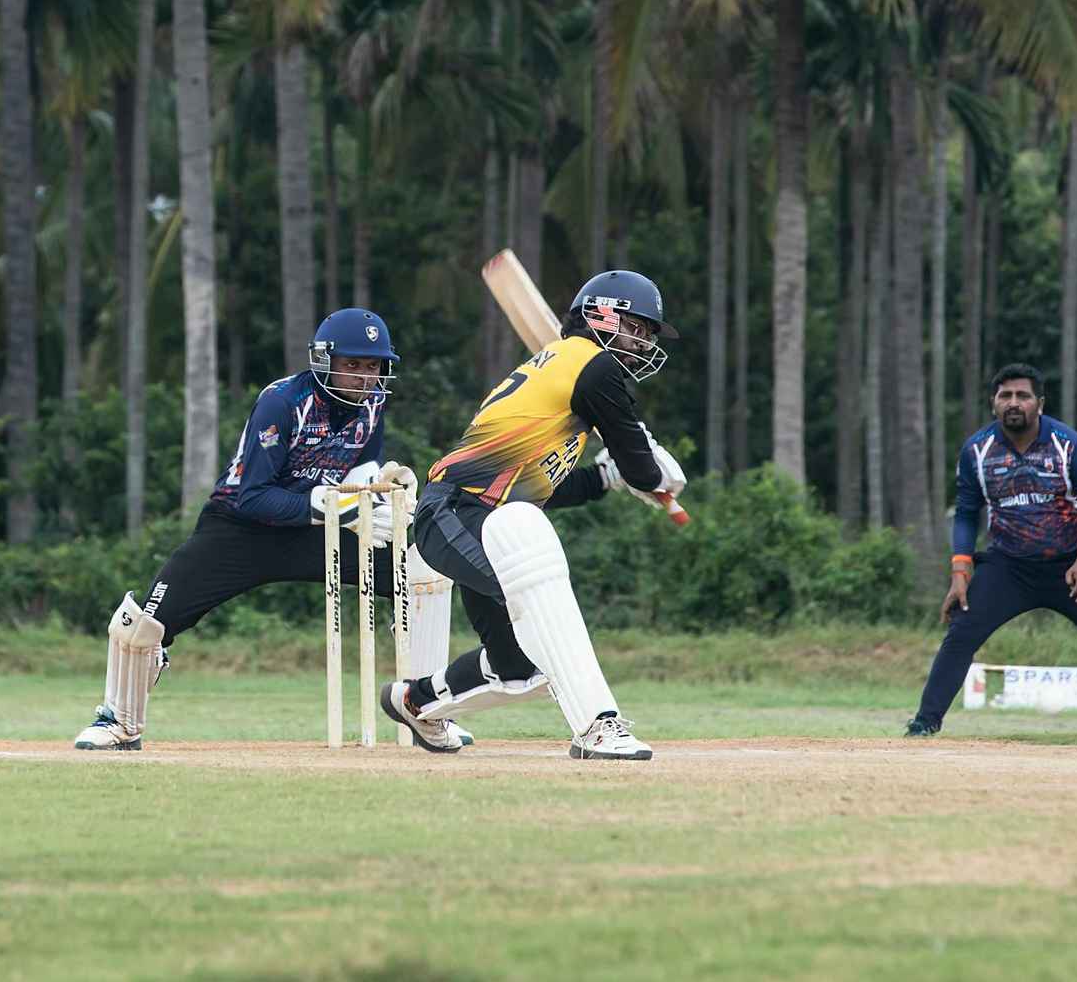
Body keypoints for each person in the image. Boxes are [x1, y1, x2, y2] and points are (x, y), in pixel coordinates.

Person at [73, 308, 423, 751]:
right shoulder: (284, 401)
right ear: (324, 360)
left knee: (419, 577)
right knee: (144, 624)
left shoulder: (372, 404)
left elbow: (363, 470)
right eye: (352, 364)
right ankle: (118, 723)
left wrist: (380, 498)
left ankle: (427, 708)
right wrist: (334, 505)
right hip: (240, 529)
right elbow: (253, 496)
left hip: (316, 530)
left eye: (372, 366)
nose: (363, 377)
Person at [378, 269, 686, 760]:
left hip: (487, 518)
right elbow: (642, 468)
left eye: (647, 334)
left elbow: (540, 491)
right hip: (455, 511)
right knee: (540, 603)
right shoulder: (593, 367)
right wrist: (652, 474)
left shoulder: (566, 379)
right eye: (636, 328)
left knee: (516, 666)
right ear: (603, 316)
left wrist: (609, 477)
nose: (642, 343)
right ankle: (598, 726)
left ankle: (415, 701)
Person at [905, 362, 1077, 736]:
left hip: (1073, 567)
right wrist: (960, 571)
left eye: (1023, 395)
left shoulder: (1068, 444)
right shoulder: (977, 450)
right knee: (961, 634)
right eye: (1005, 396)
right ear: (994, 403)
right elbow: (967, 513)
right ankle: (924, 725)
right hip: (1009, 567)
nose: (1014, 402)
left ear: (1040, 403)